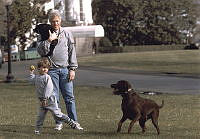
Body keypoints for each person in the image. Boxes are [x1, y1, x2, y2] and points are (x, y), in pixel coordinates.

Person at [36, 10, 82, 130]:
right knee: (54, 98)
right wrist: (49, 40)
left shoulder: (67, 33)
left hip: (65, 70)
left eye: (57, 21)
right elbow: (41, 52)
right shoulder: (44, 33)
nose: (55, 23)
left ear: (60, 21)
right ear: (50, 22)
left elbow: (72, 52)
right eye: (53, 21)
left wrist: (72, 69)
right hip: (51, 71)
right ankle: (59, 123)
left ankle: (74, 122)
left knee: (69, 98)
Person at [29, 58, 83, 135]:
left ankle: (72, 123)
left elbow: (49, 89)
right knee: (40, 116)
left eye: (47, 68)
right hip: (42, 101)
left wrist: (45, 99)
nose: (45, 69)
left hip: (50, 100)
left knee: (58, 115)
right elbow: (31, 80)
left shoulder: (47, 77)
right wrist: (31, 73)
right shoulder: (37, 77)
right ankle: (37, 130)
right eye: (43, 67)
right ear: (38, 68)